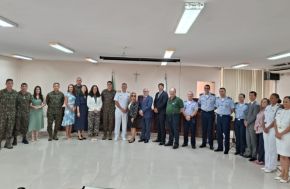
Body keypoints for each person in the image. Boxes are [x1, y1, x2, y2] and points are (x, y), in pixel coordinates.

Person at [263, 93, 281, 173]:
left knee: (272, 148)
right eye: (270, 98)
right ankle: (267, 165)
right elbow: (264, 117)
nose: (271, 99)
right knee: (266, 147)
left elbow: (275, 120)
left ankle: (272, 166)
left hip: (272, 128)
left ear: (277, 99)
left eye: (273, 98)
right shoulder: (268, 106)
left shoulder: (279, 108)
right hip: (265, 128)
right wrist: (264, 127)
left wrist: (268, 127)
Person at [274, 96, 290, 183]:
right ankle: (282, 172)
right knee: (281, 155)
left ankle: (286, 175)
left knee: (285, 155)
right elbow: (275, 122)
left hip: (286, 136)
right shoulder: (280, 111)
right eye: (284, 101)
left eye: (287, 102)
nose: (284, 103)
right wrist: (276, 132)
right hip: (278, 134)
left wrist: (281, 133)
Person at [215, 87, 234, 154]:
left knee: (226, 133)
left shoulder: (229, 100)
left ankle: (226, 149)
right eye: (220, 91)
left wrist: (227, 114)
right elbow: (216, 107)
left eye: (222, 91)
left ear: (225, 92)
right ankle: (220, 147)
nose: (221, 92)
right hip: (219, 117)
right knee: (219, 133)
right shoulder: (217, 99)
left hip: (226, 117)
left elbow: (232, 109)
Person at [0, 79, 18, 149]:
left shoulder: (15, 93)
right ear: (6, 84)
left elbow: (17, 104)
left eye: (11, 83)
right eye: (8, 83)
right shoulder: (1, 92)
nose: (10, 84)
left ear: (12, 84)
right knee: (1, 129)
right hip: (2, 114)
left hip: (12, 114)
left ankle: (8, 143)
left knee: (10, 129)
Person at [198, 84, 216, 150]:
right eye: (205, 88)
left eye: (207, 88)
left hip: (210, 114)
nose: (206, 89)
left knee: (210, 129)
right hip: (203, 113)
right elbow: (199, 104)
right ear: (204, 89)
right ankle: (204, 143)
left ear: (209, 89)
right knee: (204, 129)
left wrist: (211, 109)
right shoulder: (201, 96)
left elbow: (216, 105)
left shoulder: (213, 97)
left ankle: (211, 144)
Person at [244, 91, 260, 161]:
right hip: (247, 124)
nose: (250, 97)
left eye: (252, 95)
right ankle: (249, 153)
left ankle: (254, 155)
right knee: (248, 139)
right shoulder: (248, 104)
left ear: (255, 96)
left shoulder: (256, 105)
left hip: (252, 124)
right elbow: (245, 113)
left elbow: (254, 115)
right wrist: (245, 120)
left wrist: (248, 122)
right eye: (249, 95)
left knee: (253, 140)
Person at [254, 98, 269, 165]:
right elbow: (257, 119)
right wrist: (256, 127)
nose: (263, 103)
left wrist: (259, 125)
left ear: (268, 103)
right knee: (258, 145)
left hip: (262, 130)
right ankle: (259, 158)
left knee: (261, 145)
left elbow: (265, 121)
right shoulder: (261, 110)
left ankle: (261, 160)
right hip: (257, 130)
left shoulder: (267, 111)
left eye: (265, 102)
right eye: (262, 102)